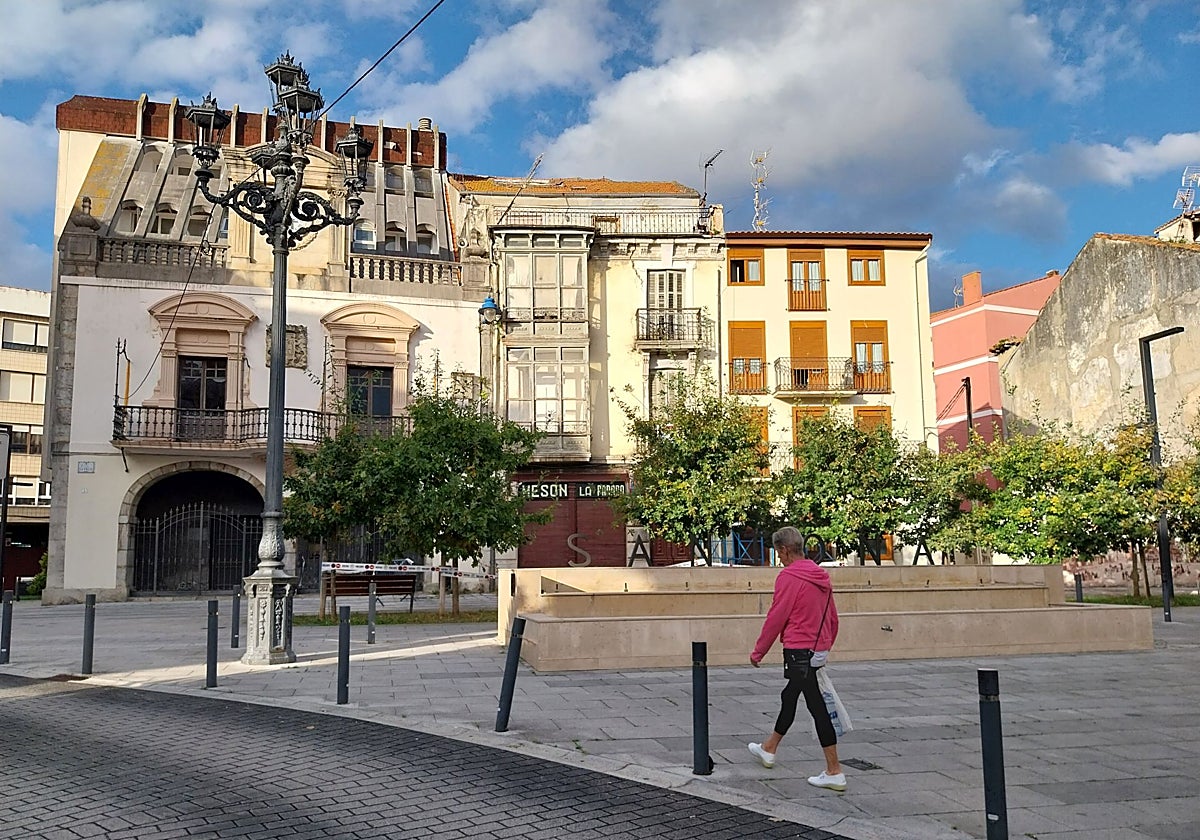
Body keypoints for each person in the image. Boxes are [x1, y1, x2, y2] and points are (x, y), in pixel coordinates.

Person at [748, 525, 845, 791]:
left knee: (816, 708)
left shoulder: (788, 577)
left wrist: (759, 651)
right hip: (815, 650)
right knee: (790, 697)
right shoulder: (821, 576)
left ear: (784, 550)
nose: (778, 558)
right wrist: (825, 645)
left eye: (778, 552)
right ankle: (769, 748)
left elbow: (777, 617)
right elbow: (833, 618)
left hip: (798, 651)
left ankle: (834, 770)